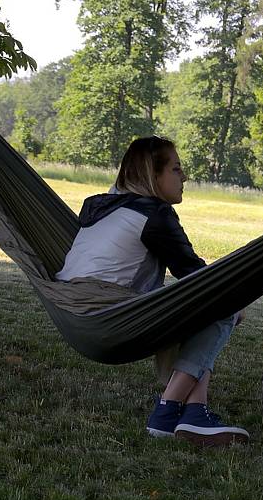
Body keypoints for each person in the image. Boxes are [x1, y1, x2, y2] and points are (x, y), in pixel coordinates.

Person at [55, 136, 249, 447]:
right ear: (152, 174)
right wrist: (235, 306)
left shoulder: (101, 206)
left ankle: (196, 411)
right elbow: (196, 275)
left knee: (207, 307)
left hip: (69, 307)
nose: (184, 177)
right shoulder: (155, 214)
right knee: (222, 303)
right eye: (176, 169)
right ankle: (168, 411)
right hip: (106, 312)